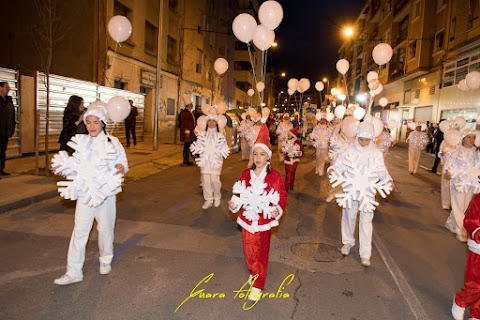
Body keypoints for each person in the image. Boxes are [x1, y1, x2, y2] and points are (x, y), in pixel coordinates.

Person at [52, 105, 128, 285]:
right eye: (88, 122)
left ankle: (105, 259)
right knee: (79, 231)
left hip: (105, 194)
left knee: (105, 229)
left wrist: (121, 167)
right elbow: (76, 167)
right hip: (85, 194)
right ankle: (73, 271)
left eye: (96, 122)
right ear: (85, 124)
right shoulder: (81, 142)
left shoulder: (112, 142)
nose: (92, 126)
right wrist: (62, 169)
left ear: (102, 123)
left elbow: (122, 162)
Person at [228, 119, 287, 301]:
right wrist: (234, 204)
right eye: (256, 154)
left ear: (268, 156)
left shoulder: (274, 176)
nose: (258, 158)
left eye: (262, 154)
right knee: (248, 250)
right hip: (247, 219)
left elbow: (282, 196)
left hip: (263, 222)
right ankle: (253, 272)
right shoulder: (246, 174)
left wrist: (277, 209)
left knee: (261, 252)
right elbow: (239, 194)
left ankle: (258, 284)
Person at [330, 121, 393, 267]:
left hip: (367, 191)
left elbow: (381, 170)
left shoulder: (376, 153)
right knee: (348, 215)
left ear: (372, 139)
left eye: (367, 140)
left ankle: (365, 253)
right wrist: (334, 170)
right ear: (357, 137)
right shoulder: (350, 150)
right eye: (361, 139)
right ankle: (348, 242)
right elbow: (340, 165)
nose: (364, 142)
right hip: (351, 189)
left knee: (366, 221)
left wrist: (388, 180)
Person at [190, 105, 229, 209]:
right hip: (205, 160)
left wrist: (217, 151)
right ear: (206, 122)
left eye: (213, 121)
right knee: (206, 180)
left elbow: (224, 147)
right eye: (209, 121)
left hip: (216, 160)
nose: (211, 123)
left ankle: (217, 196)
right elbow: (198, 145)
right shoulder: (202, 133)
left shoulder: (221, 134)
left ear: (217, 122)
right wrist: (197, 149)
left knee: (214, 180)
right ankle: (208, 199)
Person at [444, 129, 479, 242]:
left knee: (463, 206)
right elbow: (448, 166)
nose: (471, 140)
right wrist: (449, 172)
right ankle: (461, 230)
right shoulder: (456, 152)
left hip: (470, 183)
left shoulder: (476, 154)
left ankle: (451, 222)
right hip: (458, 182)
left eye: (473, 137)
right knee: (458, 205)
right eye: (469, 137)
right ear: (463, 139)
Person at [452, 193, 480, 320]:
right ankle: (460, 300)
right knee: (475, 284)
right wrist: (477, 231)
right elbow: (470, 219)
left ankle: (476, 314)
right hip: (478, 250)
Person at [0, 82, 16, 176]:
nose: (8, 89)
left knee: (3, 151)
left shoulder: (9, 100)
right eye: (6, 87)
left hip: (5, 131)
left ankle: (1, 169)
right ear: (0, 87)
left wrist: (12, 127)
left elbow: (12, 115)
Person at [283, 127, 303, 191]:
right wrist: (284, 150)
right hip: (287, 159)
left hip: (294, 160)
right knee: (288, 173)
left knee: (291, 173)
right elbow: (284, 150)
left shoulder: (297, 142)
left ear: (292, 135)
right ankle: (289, 185)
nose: (288, 135)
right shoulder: (287, 141)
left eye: (289, 134)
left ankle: (289, 185)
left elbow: (301, 152)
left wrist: (296, 153)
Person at [180, 94, 196, 165]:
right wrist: (187, 134)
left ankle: (187, 160)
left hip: (190, 132)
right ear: (188, 105)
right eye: (191, 104)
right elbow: (186, 124)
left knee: (187, 146)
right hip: (187, 133)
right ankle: (186, 161)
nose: (192, 104)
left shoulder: (189, 112)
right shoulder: (185, 113)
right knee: (186, 146)